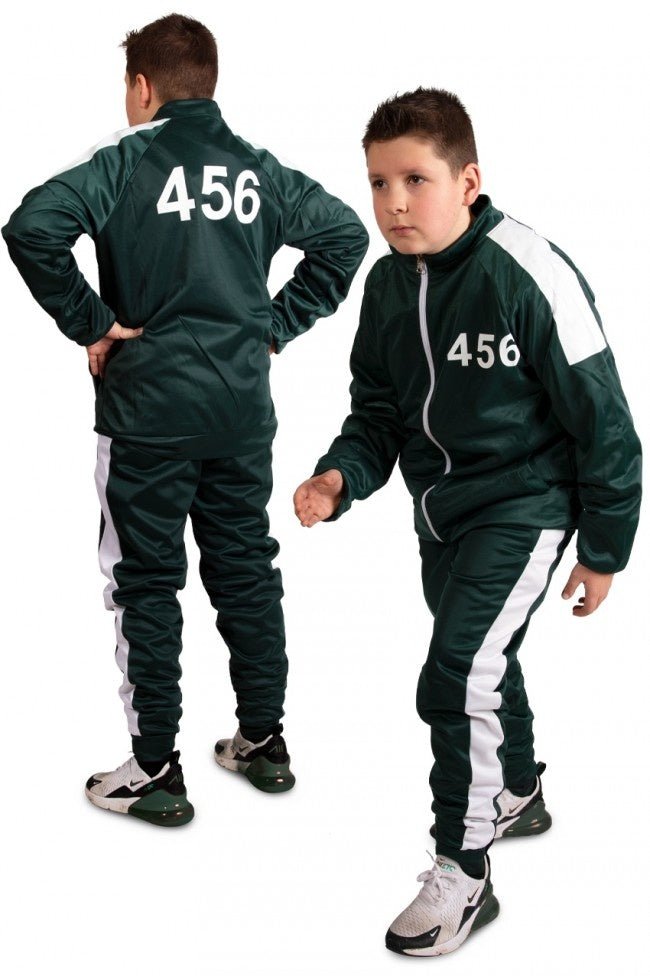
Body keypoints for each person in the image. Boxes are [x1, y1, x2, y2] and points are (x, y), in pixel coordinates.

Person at [293, 88, 641, 956]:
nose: (394, 202)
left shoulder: (530, 272)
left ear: (468, 181)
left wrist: (604, 547)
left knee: (455, 672)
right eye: (378, 183)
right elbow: (378, 414)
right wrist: (340, 477)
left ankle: (463, 868)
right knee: (483, 656)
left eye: (415, 179)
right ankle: (516, 790)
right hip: (440, 514)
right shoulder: (385, 285)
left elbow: (606, 419)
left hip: (528, 503)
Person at [2, 14, 368, 828]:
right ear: (209, 82)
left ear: (142, 87)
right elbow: (346, 235)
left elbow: (32, 227)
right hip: (240, 412)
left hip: (148, 416)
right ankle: (264, 741)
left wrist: (92, 322)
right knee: (244, 569)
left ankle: (155, 769)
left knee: (144, 580)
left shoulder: (125, 161)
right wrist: (271, 327)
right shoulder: (257, 169)